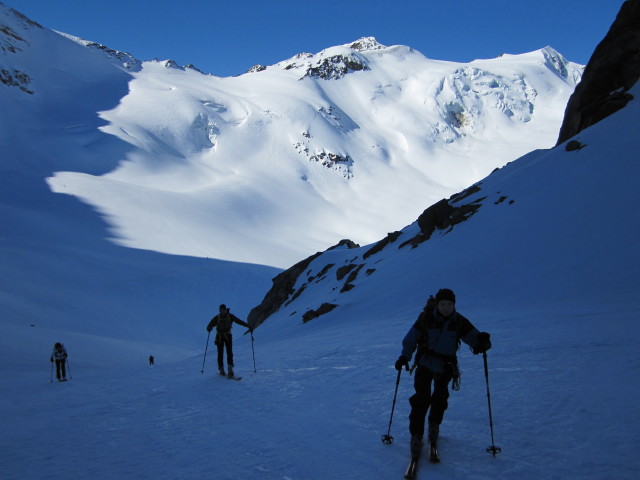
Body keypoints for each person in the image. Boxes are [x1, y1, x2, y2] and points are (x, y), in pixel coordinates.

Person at [395, 288, 491, 461]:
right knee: (421, 400)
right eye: (443, 304)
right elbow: (411, 339)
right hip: (424, 364)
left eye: (449, 304)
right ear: (437, 304)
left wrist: (481, 342)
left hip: (446, 367)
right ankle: (416, 435)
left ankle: (434, 426)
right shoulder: (426, 319)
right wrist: (404, 357)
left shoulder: (459, 321)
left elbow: (472, 336)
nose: (446, 308)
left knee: (440, 398)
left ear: (454, 305)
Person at [206, 304, 252, 377]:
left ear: (225, 310)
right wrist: (209, 328)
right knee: (222, 353)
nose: (222, 311)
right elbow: (210, 325)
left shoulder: (220, 317)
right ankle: (224, 369)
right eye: (221, 310)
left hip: (223, 336)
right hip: (224, 336)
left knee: (227, 352)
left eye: (223, 310)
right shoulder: (228, 316)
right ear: (220, 310)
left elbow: (239, 321)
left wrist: (248, 325)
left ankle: (227, 369)